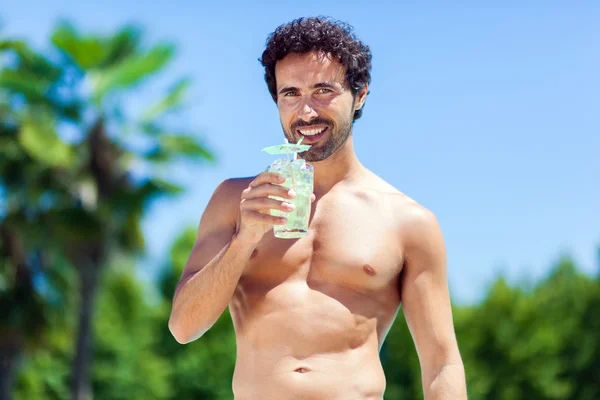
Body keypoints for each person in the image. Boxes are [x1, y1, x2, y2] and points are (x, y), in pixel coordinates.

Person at [168, 16, 468, 400]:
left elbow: (442, 363)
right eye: (290, 93)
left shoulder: (408, 221)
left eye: (323, 90)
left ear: (359, 95)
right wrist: (246, 239)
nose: (306, 112)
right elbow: (183, 327)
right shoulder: (234, 200)